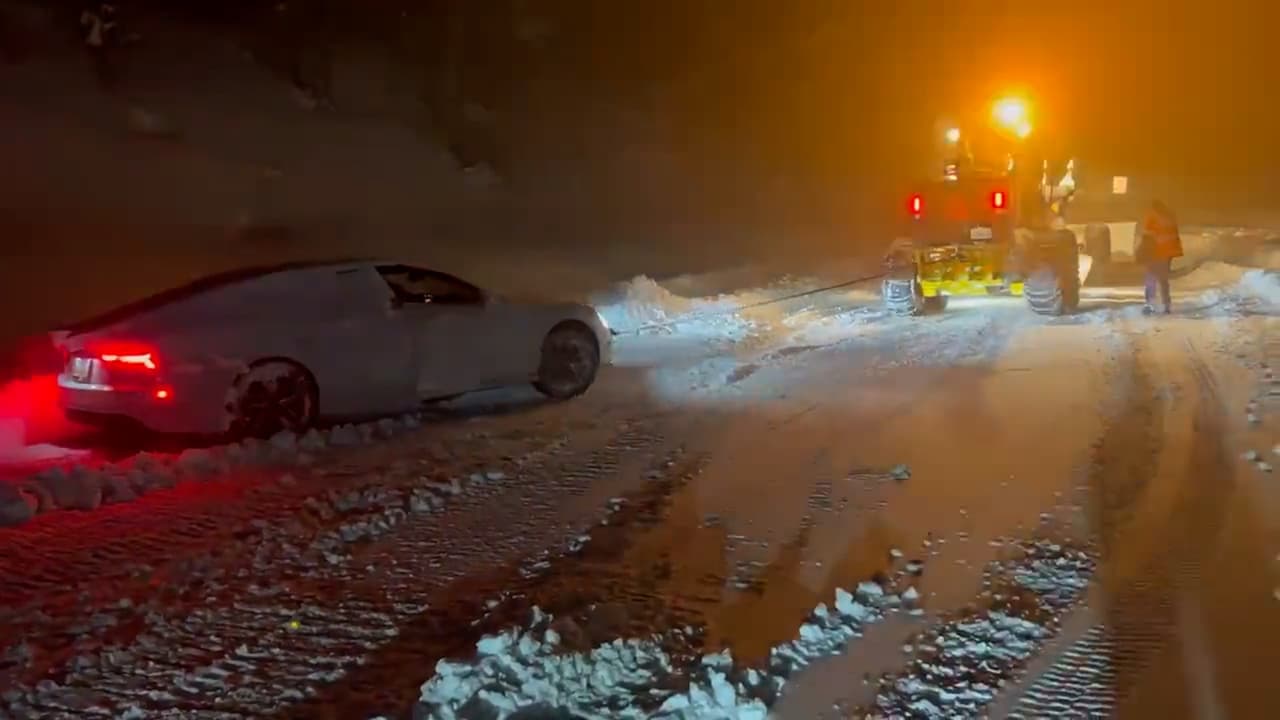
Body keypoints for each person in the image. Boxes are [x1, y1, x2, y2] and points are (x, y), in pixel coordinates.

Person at [1137, 199, 1183, 314]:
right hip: (1167, 254)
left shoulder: (1153, 219)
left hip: (1154, 253)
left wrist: (1141, 252)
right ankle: (1167, 305)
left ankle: (1149, 304)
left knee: (1150, 278)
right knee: (1163, 280)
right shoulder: (1170, 218)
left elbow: (1147, 238)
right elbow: (1175, 237)